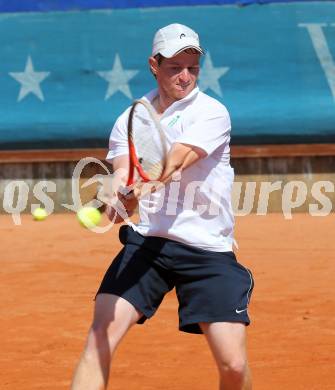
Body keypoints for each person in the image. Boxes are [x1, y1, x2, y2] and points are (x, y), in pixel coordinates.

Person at [71, 23, 254, 390]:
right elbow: (124, 173)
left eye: (193, 68)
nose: (185, 77)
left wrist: (149, 180)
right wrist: (116, 196)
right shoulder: (132, 118)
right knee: (99, 336)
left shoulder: (211, 112)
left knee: (233, 364)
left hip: (206, 248)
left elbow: (178, 159)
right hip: (150, 243)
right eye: (175, 68)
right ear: (154, 65)